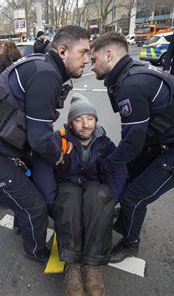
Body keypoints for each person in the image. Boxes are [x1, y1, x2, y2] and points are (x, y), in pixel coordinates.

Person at [0, 25, 90, 264]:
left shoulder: (41, 64)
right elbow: (39, 138)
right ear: (62, 51)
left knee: (27, 194)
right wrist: (58, 157)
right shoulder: (48, 74)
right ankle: (34, 250)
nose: (87, 59)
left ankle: (22, 226)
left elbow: (36, 128)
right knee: (35, 207)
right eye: (83, 52)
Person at [90, 32, 174, 263]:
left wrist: (107, 164)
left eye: (93, 59)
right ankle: (128, 215)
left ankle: (130, 243)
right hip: (168, 140)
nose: (91, 66)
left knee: (134, 197)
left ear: (108, 55)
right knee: (128, 176)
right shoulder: (133, 73)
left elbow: (132, 143)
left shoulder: (132, 85)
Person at [52, 94, 127, 296]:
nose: (85, 125)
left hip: (94, 185)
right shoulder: (59, 139)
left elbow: (119, 170)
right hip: (69, 184)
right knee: (70, 197)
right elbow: (46, 168)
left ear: (96, 120)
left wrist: (112, 194)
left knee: (99, 196)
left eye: (90, 118)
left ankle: (92, 265)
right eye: (78, 119)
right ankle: (73, 264)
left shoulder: (104, 141)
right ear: (70, 123)